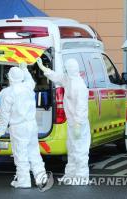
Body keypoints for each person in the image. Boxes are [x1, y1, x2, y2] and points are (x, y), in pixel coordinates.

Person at [36, 57, 91, 185]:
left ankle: (81, 177)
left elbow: (81, 107)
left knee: (80, 150)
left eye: (67, 69)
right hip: (72, 123)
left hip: (79, 124)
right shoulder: (69, 80)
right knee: (71, 149)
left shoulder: (79, 86)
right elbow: (58, 77)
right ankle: (70, 175)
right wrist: (45, 69)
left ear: (71, 69)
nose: (65, 71)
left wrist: (78, 123)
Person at [0, 62, 48, 189]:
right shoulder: (28, 87)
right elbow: (30, 80)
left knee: (21, 154)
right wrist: (24, 69)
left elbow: (4, 115)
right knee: (34, 152)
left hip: (18, 128)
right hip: (32, 125)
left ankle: (24, 181)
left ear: (10, 78)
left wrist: (0, 132)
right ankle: (41, 178)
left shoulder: (6, 93)